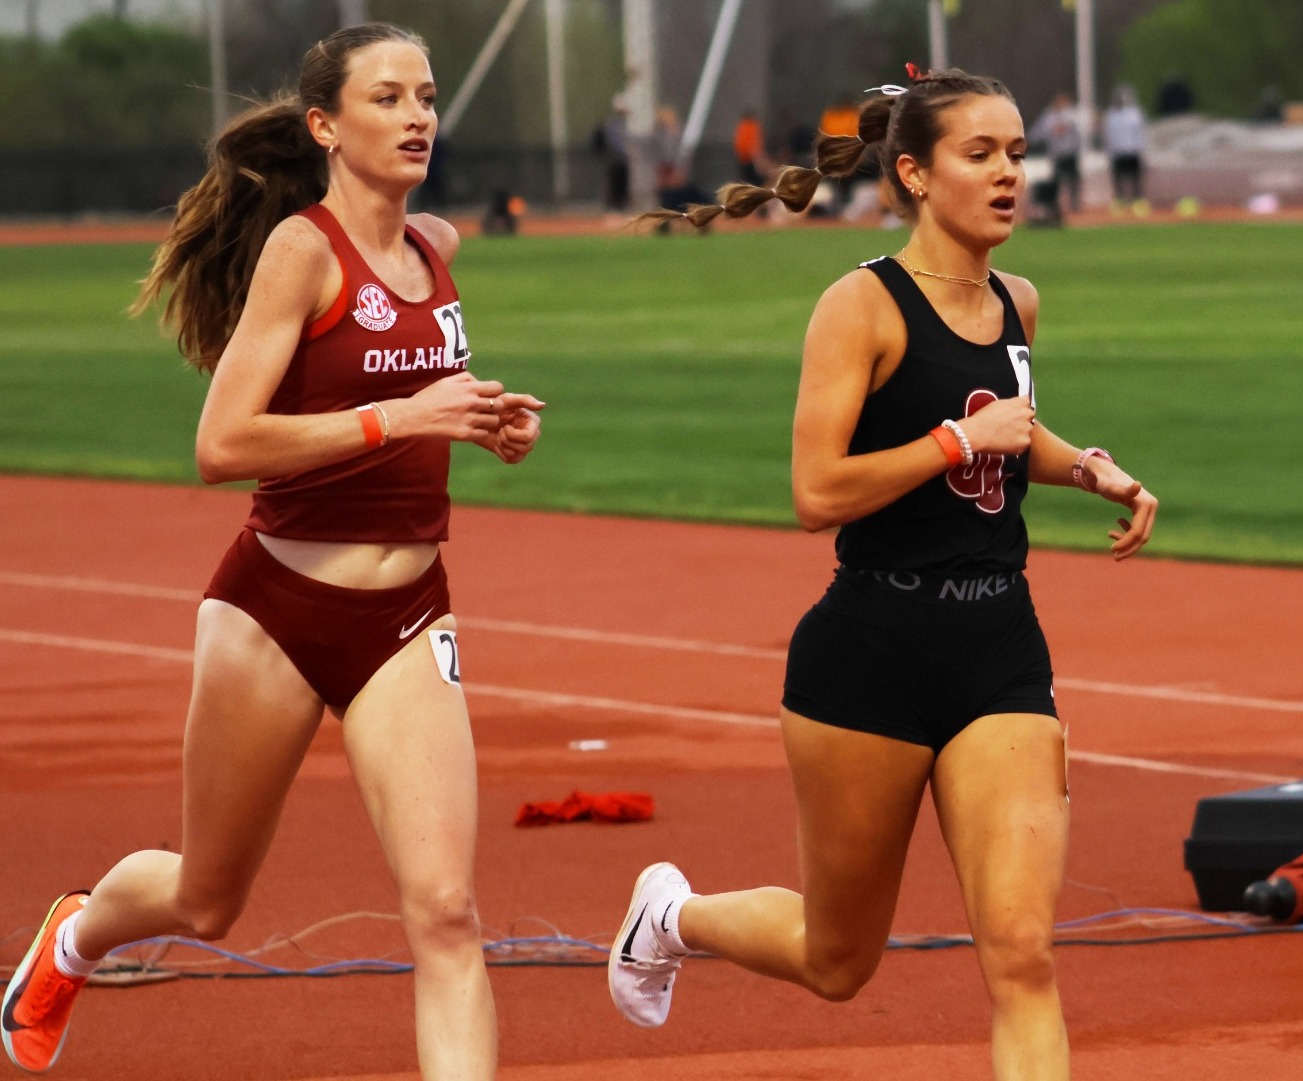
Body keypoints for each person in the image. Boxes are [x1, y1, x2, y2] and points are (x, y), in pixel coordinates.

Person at [1, 23, 543, 1080]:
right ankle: (72, 939)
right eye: (387, 98)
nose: (418, 115)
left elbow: (425, 403)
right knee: (208, 894)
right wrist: (406, 417)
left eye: (426, 95)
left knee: (445, 910)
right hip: (274, 610)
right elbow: (221, 444)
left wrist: (487, 423)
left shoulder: (437, 244)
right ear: (326, 126)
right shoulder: (302, 251)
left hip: (405, 614)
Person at [617, 68, 1158, 1081]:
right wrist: (958, 441)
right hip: (871, 653)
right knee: (837, 959)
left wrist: (1088, 467)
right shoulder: (860, 304)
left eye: (1017, 154)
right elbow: (816, 491)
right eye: (980, 154)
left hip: (999, 650)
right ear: (912, 171)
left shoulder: (1017, 302)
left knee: (1023, 954)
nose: (1008, 174)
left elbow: (1014, 431)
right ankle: (672, 915)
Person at [1103, 83, 1147, 213]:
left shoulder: (1135, 114)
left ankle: (1137, 201)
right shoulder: (1111, 115)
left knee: (1135, 178)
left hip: (1132, 151)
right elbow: (1109, 135)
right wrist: (1109, 151)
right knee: (1118, 179)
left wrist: (1140, 149)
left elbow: (1139, 133)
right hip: (1118, 152)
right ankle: (1120, 201)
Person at [1035, 92, 1082, 214]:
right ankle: (1054, 203)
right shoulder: (1048, 117)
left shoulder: (1071, 115)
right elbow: (1041, 132)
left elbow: (1078, 133)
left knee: (1073, 180)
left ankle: (1074, 203)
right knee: (1057, 180)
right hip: (1057, 154)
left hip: (1070, 153)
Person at [593, 99, 633, 214]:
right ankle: (613, 209)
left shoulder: (624, 124)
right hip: (615, 160)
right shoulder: (612, 124)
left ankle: (622, 208)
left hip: (623, 160)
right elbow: (612, 143)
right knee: (614, 185)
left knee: (623, 186)